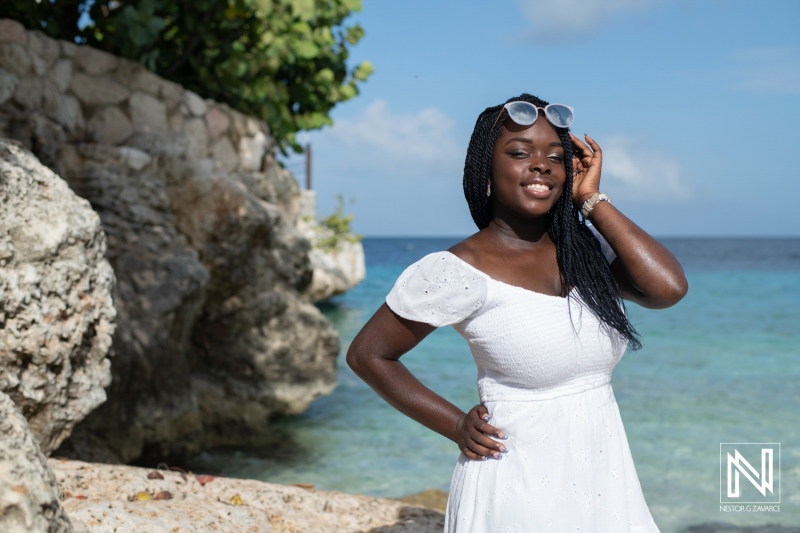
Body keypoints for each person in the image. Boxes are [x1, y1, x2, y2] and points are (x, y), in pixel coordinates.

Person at [346, 93, 687, 532]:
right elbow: (369, 355)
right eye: (520, 153)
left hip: (605, 483)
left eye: (556, 156)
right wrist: (455, 424)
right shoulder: (459, 269)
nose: (541, 165)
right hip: (515, 487)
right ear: (486, 170)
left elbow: (668, 288)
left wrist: (592, 199)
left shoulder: (582, 255)